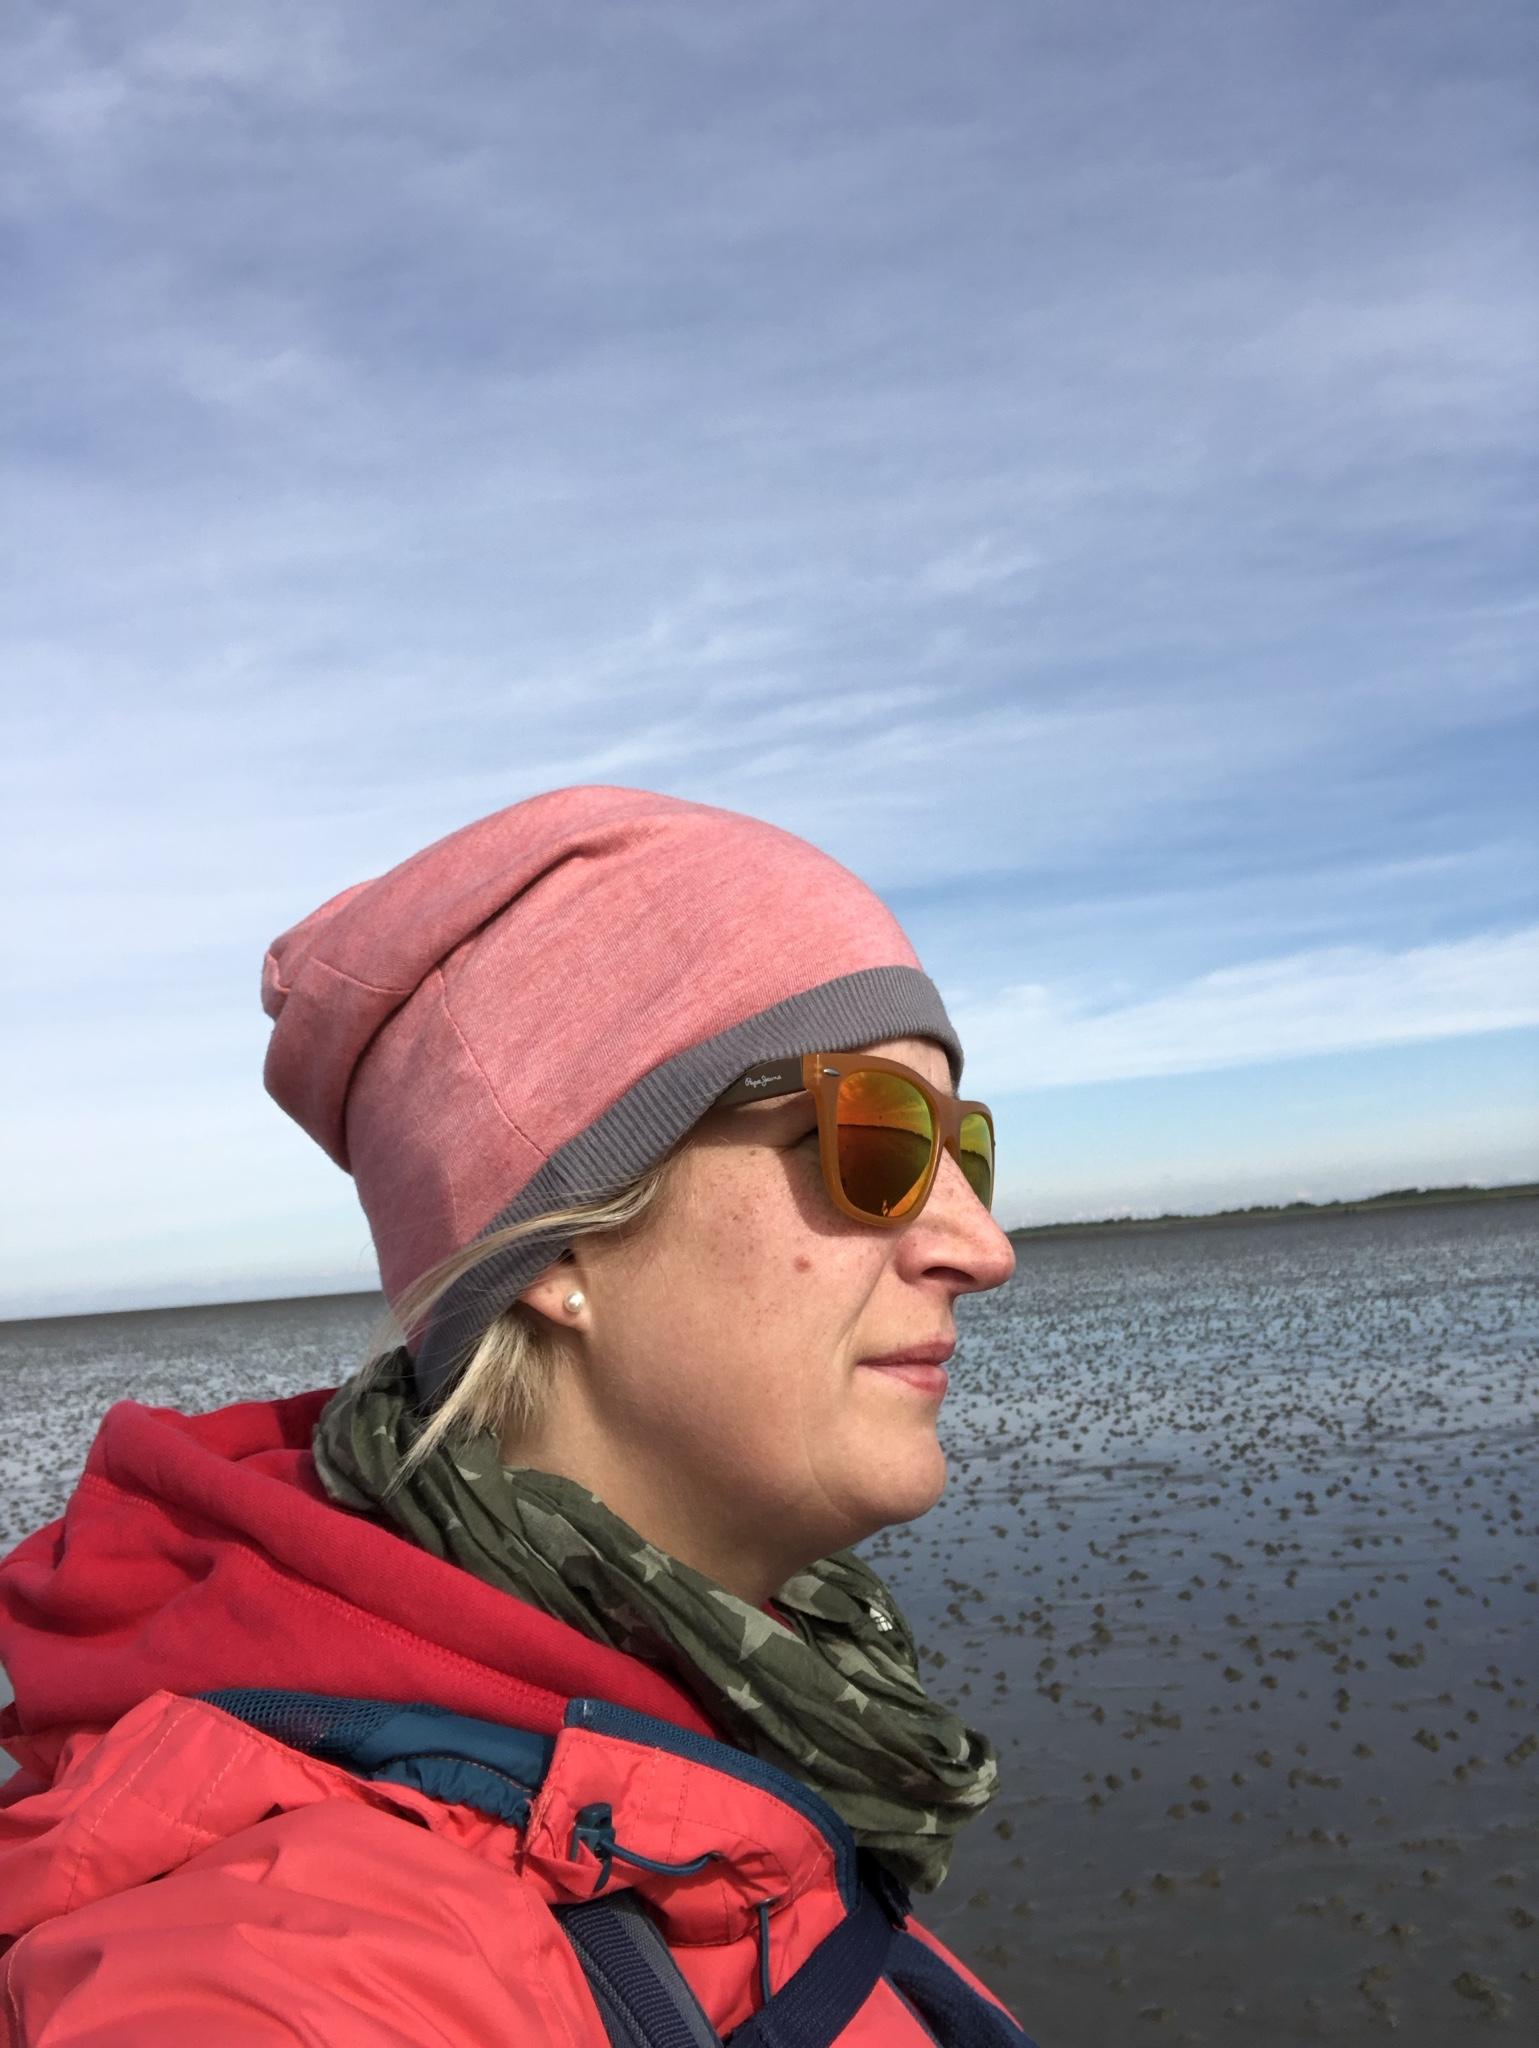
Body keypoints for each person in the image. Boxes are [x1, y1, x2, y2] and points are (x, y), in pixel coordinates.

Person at [0, 785, 1034, 2045]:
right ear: (560, 1244)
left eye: (964, 1152)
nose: (983, 1245)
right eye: (875, 1138)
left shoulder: (755, 1722)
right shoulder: (300, 1970)